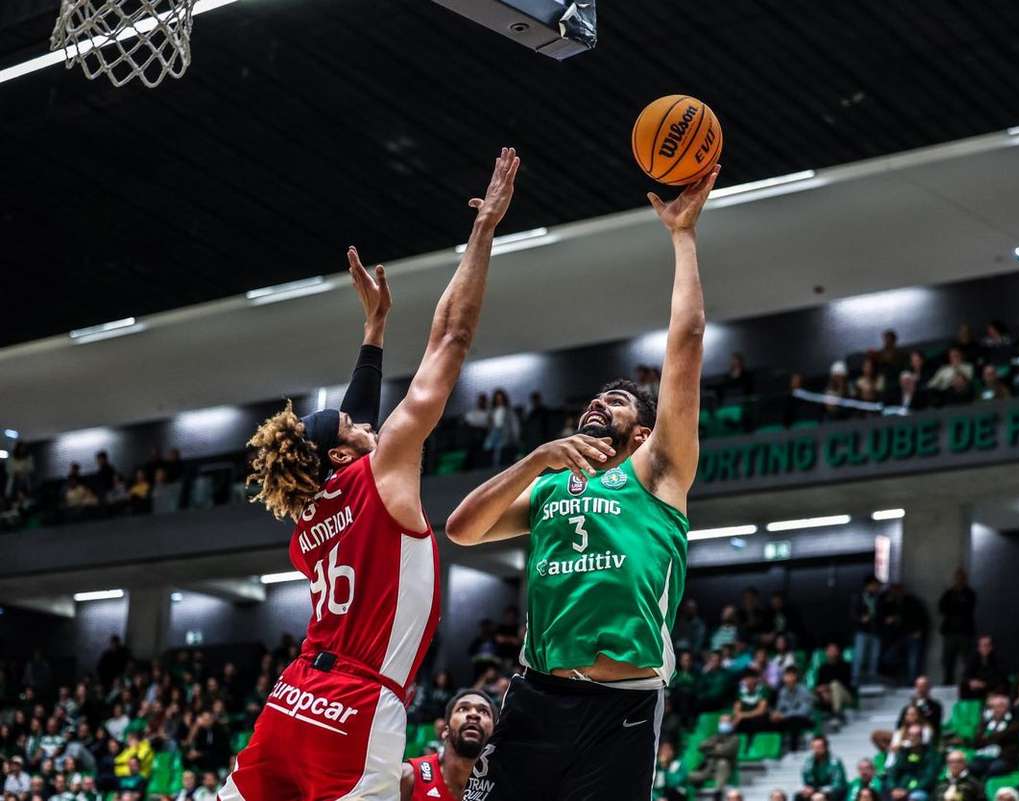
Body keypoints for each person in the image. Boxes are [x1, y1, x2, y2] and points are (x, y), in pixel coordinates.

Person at [219, 148, 521, 801]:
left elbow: (348, 422)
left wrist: (375, 330)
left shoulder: (306, 520)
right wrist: (483, 231)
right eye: (354, 428)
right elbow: (450, 342)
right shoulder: (384, 475)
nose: (364, 423)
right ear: (342, 455)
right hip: (356, 707)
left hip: (292, 698)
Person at [444, 166, 720, 801]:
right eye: (597, 397)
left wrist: (683, 237)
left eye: (619, 400)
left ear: (645, 430)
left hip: (620, 710)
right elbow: (461, 529)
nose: (603, 403)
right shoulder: (548, 487)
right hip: (537, 695)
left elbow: (687, 342)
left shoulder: (658, 470)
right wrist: (536, 458)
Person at [401, 690, 497, 801]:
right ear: (445, 730)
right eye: (463, 709)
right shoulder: (409, 777)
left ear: (493, 735)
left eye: (484, 711)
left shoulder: (503, 791)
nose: (474, 714)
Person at [966, 693, 1019, 778]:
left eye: (1000, 706)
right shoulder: (985, 724)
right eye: (993, 707)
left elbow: (1006, 738)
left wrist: (988, 738)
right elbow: (976, 743)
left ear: (1007, 708)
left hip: (1003, 758)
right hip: (983, 756)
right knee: (971, 767)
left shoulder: (1013, 723)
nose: (997, 709)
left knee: (994, 769)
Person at [938, 568, 976, 685]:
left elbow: (968, 608)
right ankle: (947, 682)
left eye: (961, 578)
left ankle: (966, 682)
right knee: (948, 660)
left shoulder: (970, 593)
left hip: (965, 632)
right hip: (950, 632)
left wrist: (957, 603)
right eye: (957, 578)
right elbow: (941, 608)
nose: (959, 580)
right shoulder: (949, 593)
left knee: (967, 659)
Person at [882, 723, 939, 801]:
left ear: (921, 737)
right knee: (886, 794)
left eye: (916, 735)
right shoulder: (904, 752)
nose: (913, 738)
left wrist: (908, 791)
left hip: (920, 789)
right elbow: (894, 771)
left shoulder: (930, 754)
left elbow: (929, 778)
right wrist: (893, 788)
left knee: (915, 797)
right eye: (911, 735)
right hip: (901, 787)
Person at [688, 714, 741, 795]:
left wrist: (711, 750)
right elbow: (701, 746)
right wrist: (715, 747)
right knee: (689, 776)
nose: (723, 724)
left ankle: (718, 793)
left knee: (722, 763)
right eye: (722, 721)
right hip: (709, 769)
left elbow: (725, 752)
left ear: (731, 723)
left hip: (725, 770)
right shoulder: (716, 736)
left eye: (726, 721)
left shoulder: (735, 738)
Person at [771, 666, 816, 750]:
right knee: (772, 720)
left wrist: (783, 716)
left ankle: (793, 750)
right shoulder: (783, 691)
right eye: (787, 676)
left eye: (791, 676)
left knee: (794, 720)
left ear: (796, 677)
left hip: (806, 719)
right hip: (788, 719)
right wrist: (776, 714)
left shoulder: (804, 691)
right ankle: (773, 750)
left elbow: (803, 712)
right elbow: (779, 708)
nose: (789, 679)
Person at [851, 576, 883, 686]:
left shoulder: (879, 598)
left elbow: (881, 613)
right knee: (859, 656)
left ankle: (872, 679)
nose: (876, 588)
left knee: (874, 657)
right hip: (862, 631)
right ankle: (856, 680)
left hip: (875, 631)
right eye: (875, 585)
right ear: (869, 585)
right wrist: (861, 619)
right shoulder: (859, 597)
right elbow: (853, 614)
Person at [798, 735, 848, 801]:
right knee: (799, 796)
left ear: (826, 747)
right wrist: (808, 788)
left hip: (832, 790)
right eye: (814, 747)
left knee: (834, 794)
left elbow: (838, 783)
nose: (817, 750)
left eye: (819, 747)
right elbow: (806, 779)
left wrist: (820, 790)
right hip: (816, 789)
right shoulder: (809, 761)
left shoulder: (835, 761)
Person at [815, 643, 855, 726]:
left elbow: (846, 684)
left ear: (838, 652)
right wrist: (823, 692)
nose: (831, 652)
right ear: (826, 653)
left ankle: (837, 715)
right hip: (828, 695)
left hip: (845, 696)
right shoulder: (823, 668)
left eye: (834, 650)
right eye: (829, 650)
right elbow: (818, 686)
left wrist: (827, 688)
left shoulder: (845, 666)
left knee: (835, 685)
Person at [960, 635, 1007, 699]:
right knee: (964, 685)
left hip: (991, 684)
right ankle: (967, 707)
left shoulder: (998, 658)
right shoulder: (973, 658)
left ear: (991, 647)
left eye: (987, 645)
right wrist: (971, 682)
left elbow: (1000, 676)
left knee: (1001, 685)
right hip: (977, 685)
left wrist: (984, 684)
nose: (985, 648)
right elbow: (966, 674)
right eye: (982, 646)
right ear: (979, 648)